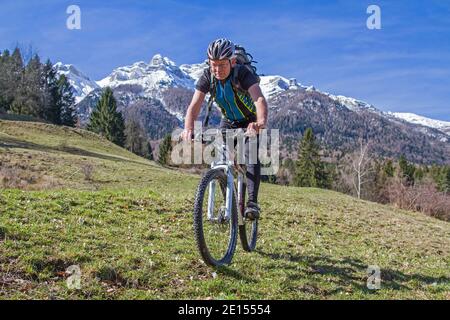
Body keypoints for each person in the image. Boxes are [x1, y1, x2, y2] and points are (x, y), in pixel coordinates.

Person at [182, 38, 268, 220]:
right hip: (228, 121)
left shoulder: (242, 74)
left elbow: (259, 99)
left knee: (249, 153)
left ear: (233, 61)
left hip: (250, 122)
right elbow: (194, 106)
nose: (217, 70)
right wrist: (188, 128)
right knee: (221, 160)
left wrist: (260, 122)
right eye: (214, 65)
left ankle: (252, 203)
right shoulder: (208, 77)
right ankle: (230, 200)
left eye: (222, 65)